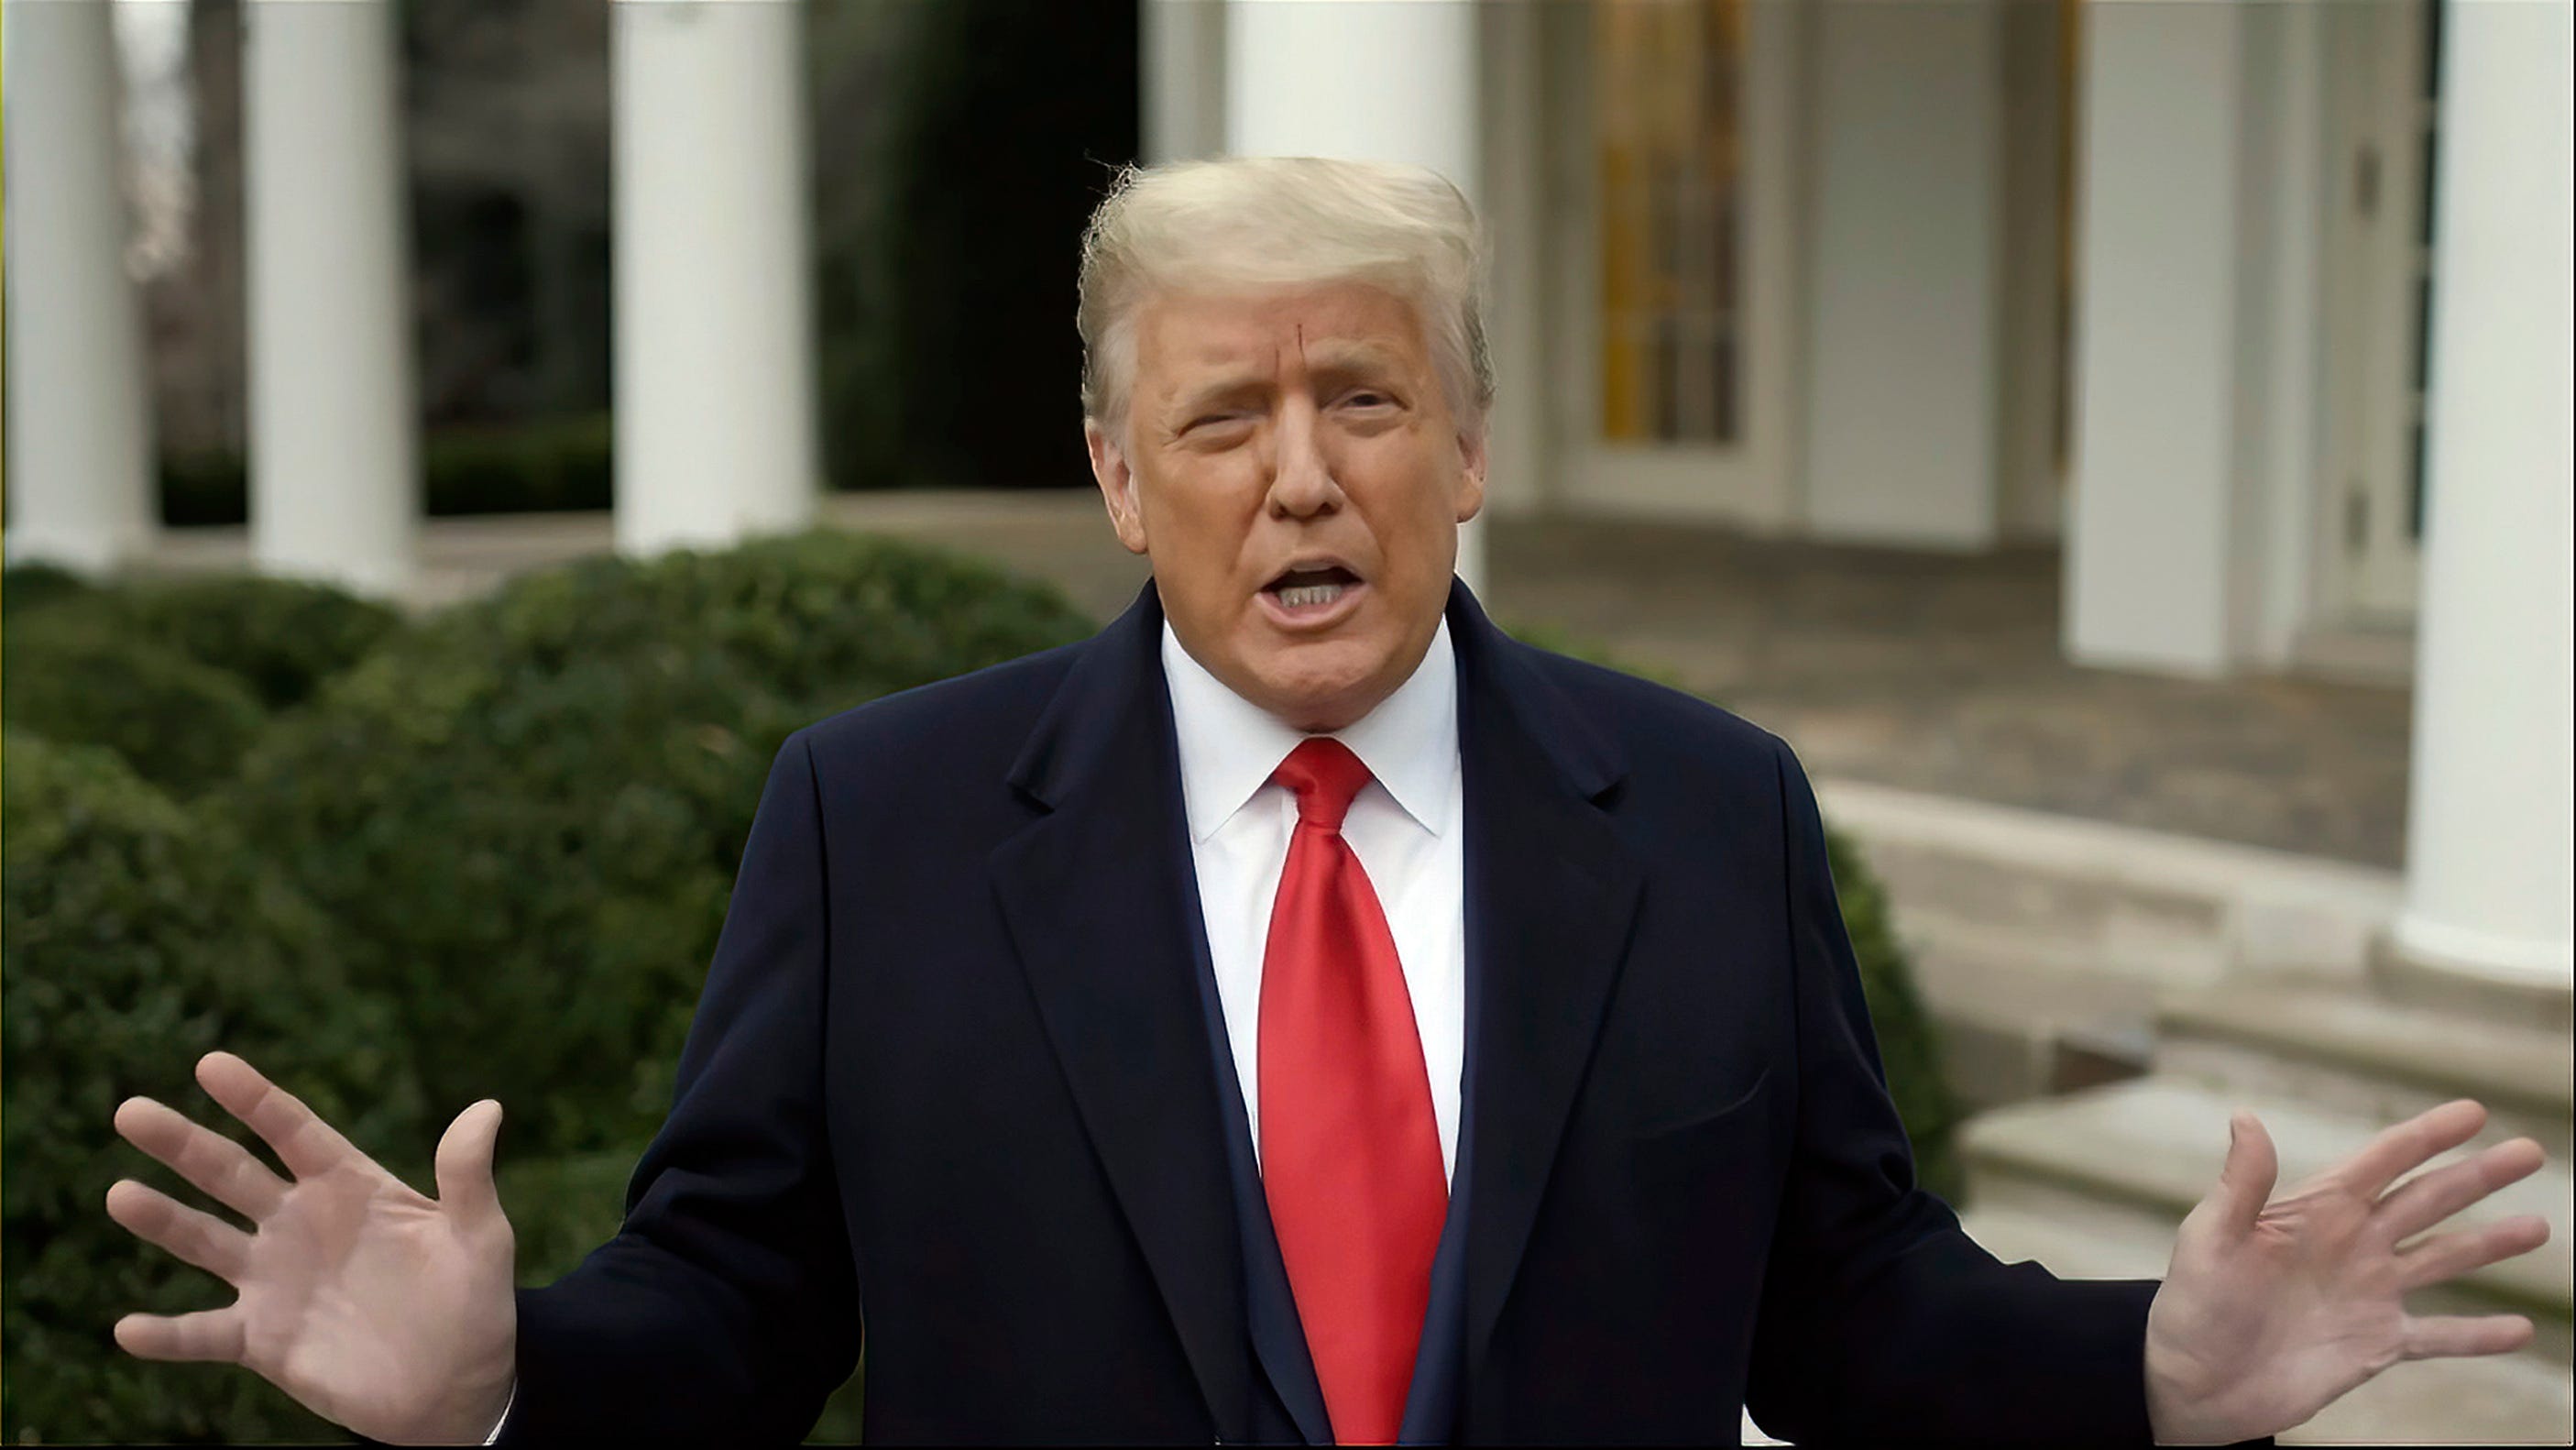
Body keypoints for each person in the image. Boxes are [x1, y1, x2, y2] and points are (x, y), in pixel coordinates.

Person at [105, 158, 2550, 1445]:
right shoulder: (882, 823)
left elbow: (1842, 1312)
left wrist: (2146, 1372)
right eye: (1222, 419)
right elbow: (743, 1317)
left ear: (1466, 445)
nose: (1302, 479)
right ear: (1110, 470)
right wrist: (505, 1384)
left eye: (1363, 401)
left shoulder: (1703, 814)